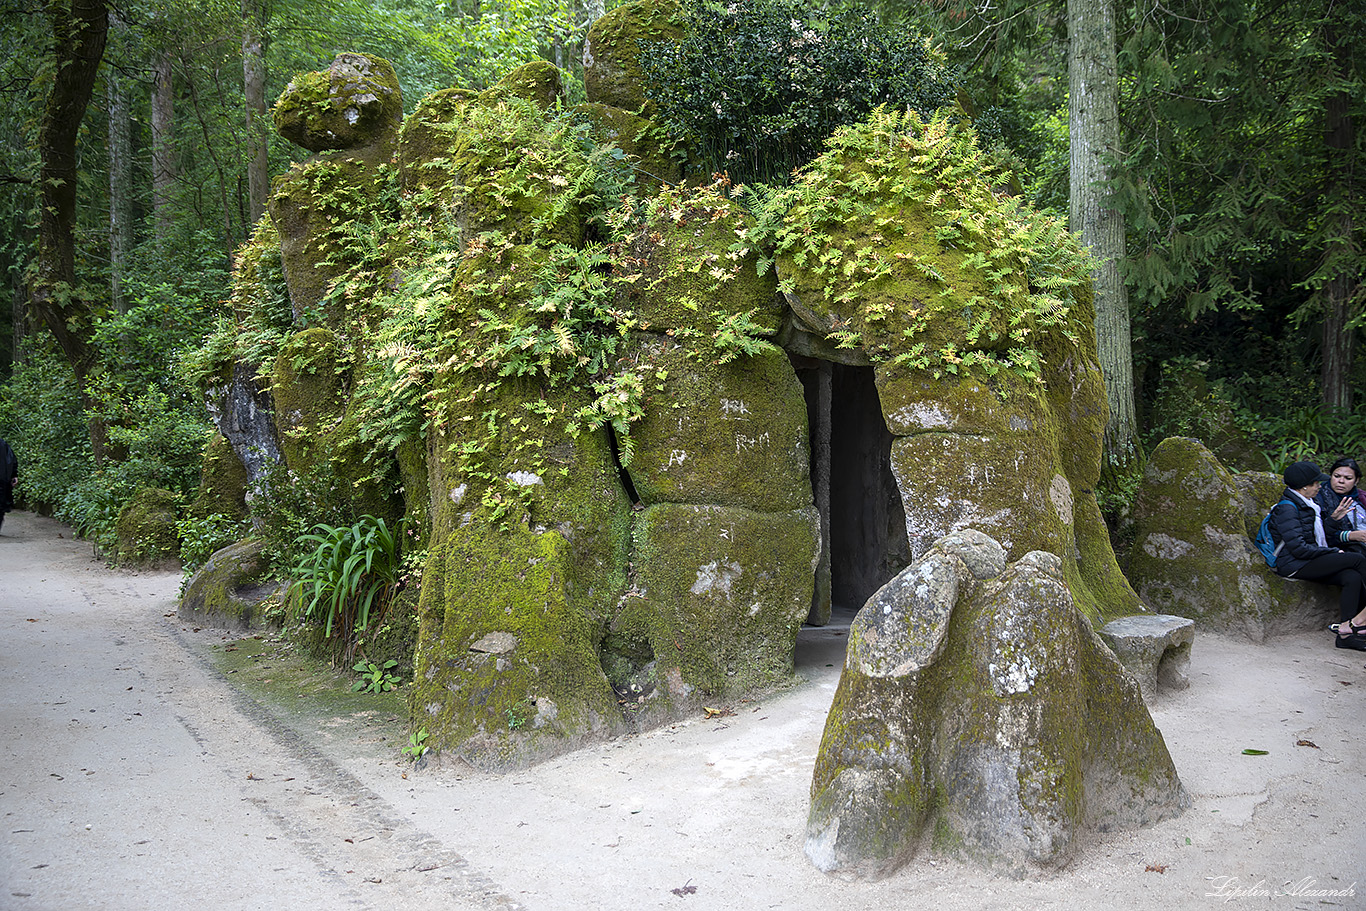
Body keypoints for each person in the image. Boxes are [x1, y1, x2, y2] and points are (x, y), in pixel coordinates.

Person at [1270, 460, 1366, 649]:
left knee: (1352, 577)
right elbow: (1298, 548)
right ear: (1304, 486)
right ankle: (1361, 621)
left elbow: (1314, 536)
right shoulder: (1287, 508)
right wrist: (1331, 551)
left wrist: (1334, 520)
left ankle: (1345, 635)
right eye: (1316, 483)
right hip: (1293, 564)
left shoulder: (1308, 504)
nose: (1319, 486)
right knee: (1356, 560)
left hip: (1306, 559)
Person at [1315, 457, 1366, 553]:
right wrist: (1349, 535)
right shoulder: (1319, 498)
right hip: (1346, 549)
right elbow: (1320, 534)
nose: (1341, 481)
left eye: (1348, 478)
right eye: (1337, 476)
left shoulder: (1362, 497)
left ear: (1356, 480)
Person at [0, 436, 15, 534]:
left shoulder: (3, 445)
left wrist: (14, 475)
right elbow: (11, 460)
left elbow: (11, 460)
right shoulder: (3, 444)